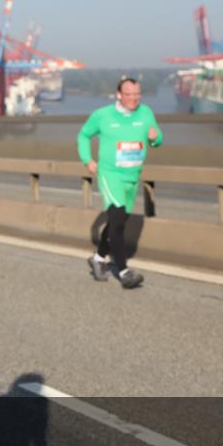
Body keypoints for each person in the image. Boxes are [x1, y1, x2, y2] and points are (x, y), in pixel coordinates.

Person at [78, 77, 163, 289]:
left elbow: (157, 139)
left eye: (137, 94)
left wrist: (155, 137)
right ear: (119, 95)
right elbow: (83, 135)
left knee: (120, 220)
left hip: (133, 176)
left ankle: (98, 259)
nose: (134, 98)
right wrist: (88, 160)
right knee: (116, 218)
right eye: (129, 94)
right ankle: (124, 272)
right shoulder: (103, 115)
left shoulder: (146, 113)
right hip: (110, 174)